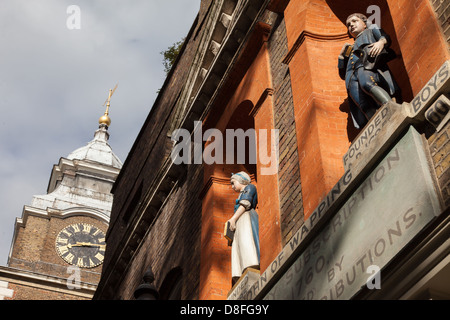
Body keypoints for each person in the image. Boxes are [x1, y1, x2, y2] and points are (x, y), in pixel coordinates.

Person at [338, 13, 399, 129]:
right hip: (351, 77)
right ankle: (376, 127)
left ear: (364, 23)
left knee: (367, 84)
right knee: (362, 103)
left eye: (354, 21)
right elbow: (342, 74)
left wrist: (381, 42)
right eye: (348, 25)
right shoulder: (350, 48)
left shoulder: (371, 30)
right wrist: (341, 57)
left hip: (366, 65)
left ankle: (390, 106)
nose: (351, 25)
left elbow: (385, 37)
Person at [227, 172, 260, 283]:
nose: (232, 186)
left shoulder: (250, 187)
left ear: (241, 180)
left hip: (246, 217)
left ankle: (250, 263)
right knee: (239, 244)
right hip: (240, 221)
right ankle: (240, 271)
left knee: (246, 241)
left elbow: (245, 204)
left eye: (233, 183)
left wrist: (233, 219)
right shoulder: (241, 193)